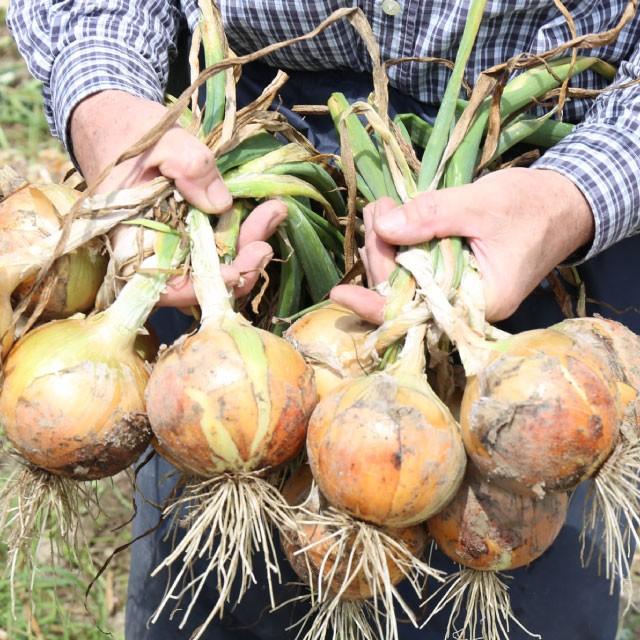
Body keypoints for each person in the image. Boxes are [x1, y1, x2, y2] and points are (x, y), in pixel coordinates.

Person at [7, 2, 640, 638]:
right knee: (228, 504)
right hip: (223, 168)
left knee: (538, 499)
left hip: (547, 185)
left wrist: (575, 196)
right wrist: (107, 102)